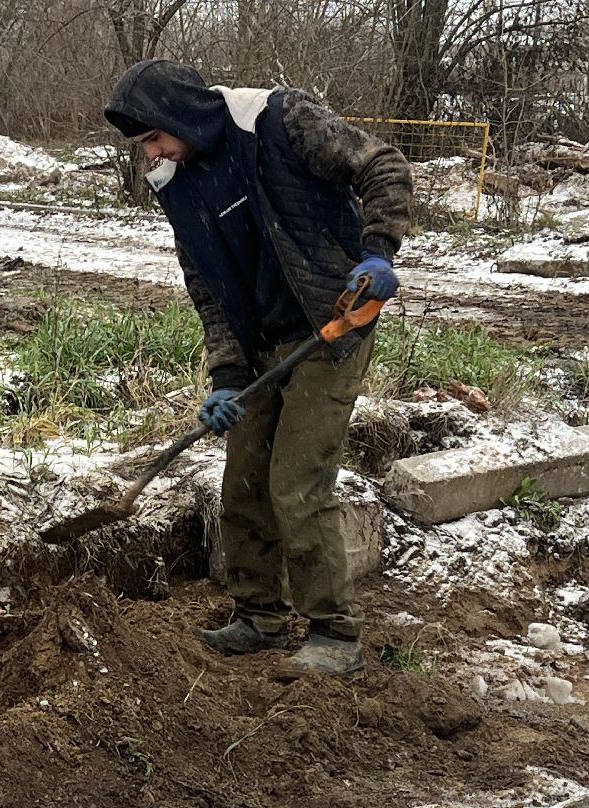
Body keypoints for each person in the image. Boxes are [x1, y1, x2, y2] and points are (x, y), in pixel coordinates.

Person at [104, 61, 412, 677]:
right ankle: (260, 616)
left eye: (152, 140)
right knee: (243, 477)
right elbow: (208, 288)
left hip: (335, 320)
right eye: (144, 148)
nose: (151, 156)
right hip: (261, 341)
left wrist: (378, 253)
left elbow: (384, 165)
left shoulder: (275, 120)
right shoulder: (178, 182)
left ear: (177, 116)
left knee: (296, 480)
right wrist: (225, 376)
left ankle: (334, 631)